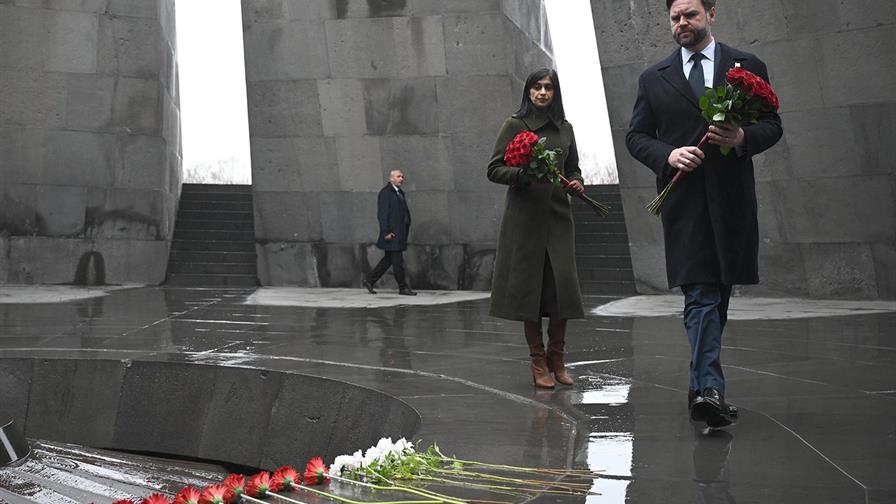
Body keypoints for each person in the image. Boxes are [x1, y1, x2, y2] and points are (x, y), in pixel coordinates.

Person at [626, 0, 783, 427]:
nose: (682, 24)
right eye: (675, 17)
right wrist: (668, 154)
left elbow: (773, 124)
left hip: (731, 200)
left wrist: (742, 136)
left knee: (720, 297)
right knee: (700, 295)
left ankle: (699, 389)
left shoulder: (746, 66)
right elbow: (636, 136)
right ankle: (711, 390)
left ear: (711, 14)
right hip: (684, 203)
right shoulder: (653, 78)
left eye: (690, 15)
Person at [487, 68, 586, 389]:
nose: (542, 93)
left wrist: (577, 183)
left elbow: (573, 168)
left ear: (556, 94)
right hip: (524, 219)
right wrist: (522, 175)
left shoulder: (566, 128)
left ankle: (558, 358)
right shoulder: (515, 125)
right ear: (528, 92)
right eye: (536, 87)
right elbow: (494, 169)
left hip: (558, 217)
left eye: (548, 88)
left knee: (563, 288)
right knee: (531, 289)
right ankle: (538, 360)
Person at [363, 169, 416, 296]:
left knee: (388, 260)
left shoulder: (399, 193)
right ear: (391, 179)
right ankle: (403, 287)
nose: (401, 179)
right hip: (392, 234)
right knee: (398, 261)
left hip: (399, 232)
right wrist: (386, 232)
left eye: (402, 176)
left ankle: (369, 280)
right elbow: (382, 214)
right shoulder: (386, 193)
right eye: (398, 176)